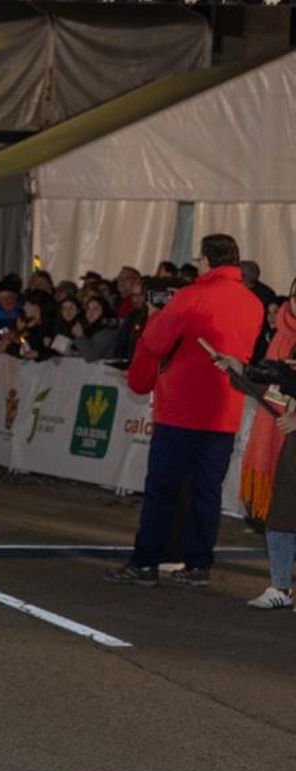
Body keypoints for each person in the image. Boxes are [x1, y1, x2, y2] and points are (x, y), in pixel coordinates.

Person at [108, 234, 263, 588]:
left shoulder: (192, 297)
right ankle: (198, 565)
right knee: (206, 492)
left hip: (181, 409)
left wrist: (155, 316)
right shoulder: (253, 303)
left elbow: (156, 340)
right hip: (225, 411)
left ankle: (145, 562)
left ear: (206, 261)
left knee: (162, 489)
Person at [219, 279, 296, 609]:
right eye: (295, 294)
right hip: (286, 440)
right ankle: (280, 585)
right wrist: (241, 371)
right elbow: (279, 386)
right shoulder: (283, 338)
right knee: (282, 513)